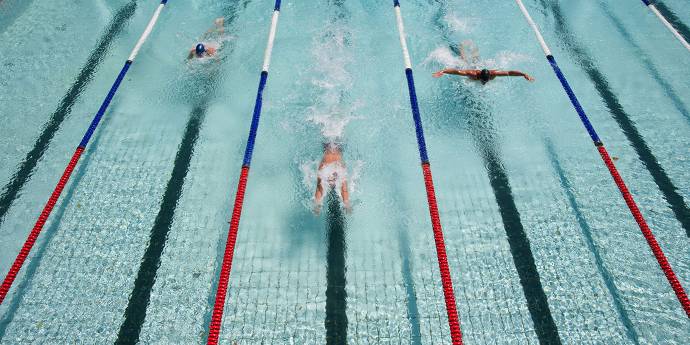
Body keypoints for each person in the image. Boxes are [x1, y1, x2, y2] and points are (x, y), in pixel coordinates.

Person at [432, 39, 534, 84]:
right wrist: (443, 71)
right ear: (479, 76)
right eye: (483, 81)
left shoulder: (493, 74)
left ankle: (470, 48)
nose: (485, 82)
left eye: (486, 80)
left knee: (476, 61)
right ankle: (459, 47)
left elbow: (509, 73)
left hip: (479, 69)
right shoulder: (472, 74)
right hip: (472, 69)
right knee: (463, 61)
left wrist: (523, 74)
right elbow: (457, 72)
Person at [314, 142, 351, 215]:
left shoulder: (324, 167)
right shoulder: (338, 168)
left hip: (333, 150)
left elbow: (319, 188)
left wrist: (317, 205)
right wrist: (347, 205)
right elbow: (344, 190)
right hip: (333, 150)